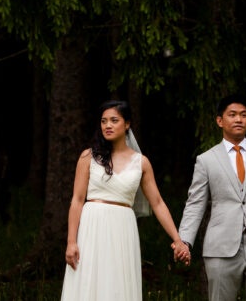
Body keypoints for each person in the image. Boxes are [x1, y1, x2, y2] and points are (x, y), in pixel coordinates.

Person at [61, 99, 191, 301]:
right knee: (88, 282)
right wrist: (71, 242)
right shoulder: (88, 157)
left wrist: (177, 239)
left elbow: (157, 203)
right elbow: (77, 201)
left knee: (117, 285)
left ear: (127, 124)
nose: (108, 125)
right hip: (91, 228)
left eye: (114, 120)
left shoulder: (141, 162)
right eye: (104, 121)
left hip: (122, 229)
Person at [176, 94, 246, 301]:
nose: (239, 119)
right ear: (220, 121)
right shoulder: (206, 160)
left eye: (243, 115)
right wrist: (184, 241)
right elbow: (195, 203)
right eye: (233, 115)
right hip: (220, 246)